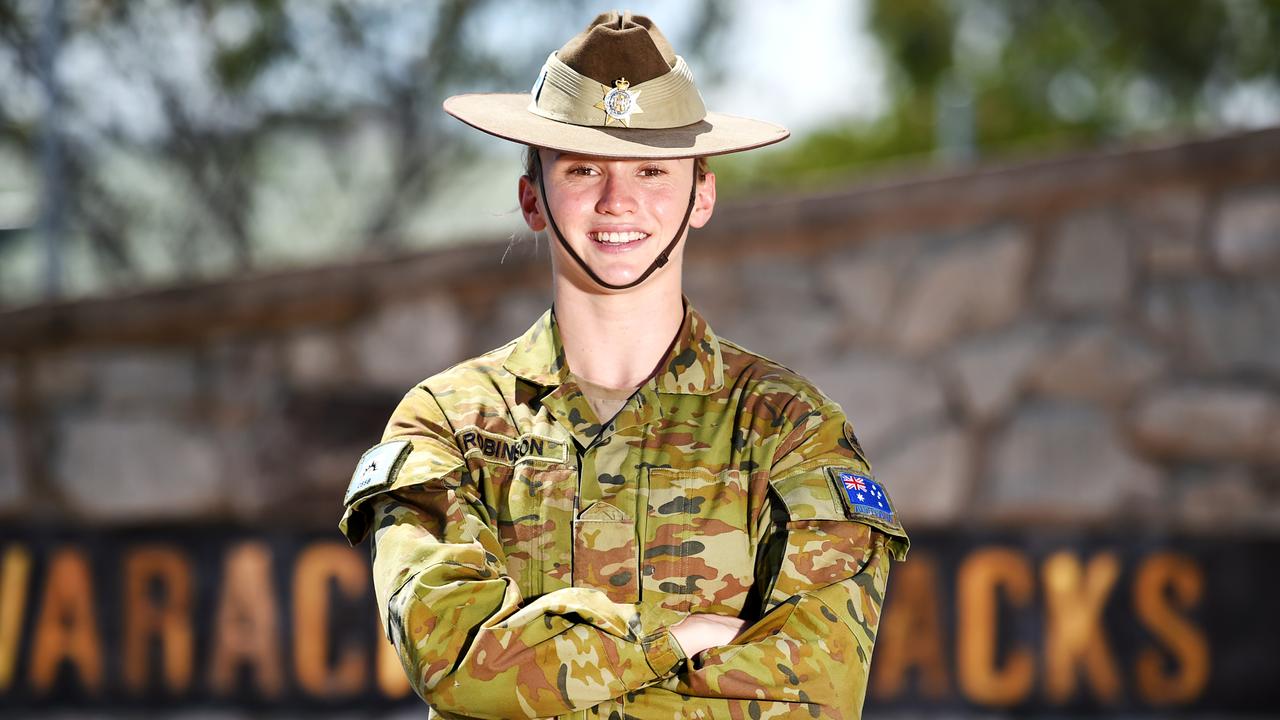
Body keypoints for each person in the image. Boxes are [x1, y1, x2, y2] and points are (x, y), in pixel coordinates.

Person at [339, 10, 909, 719]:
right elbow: (451, 657)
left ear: (701, 196)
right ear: (533, 199)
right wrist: (671, 641)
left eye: (651, 169)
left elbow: (812, 692)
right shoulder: (449, 422)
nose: (618, 201)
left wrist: (542, 675)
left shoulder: (788, 428)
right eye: (583, 169)